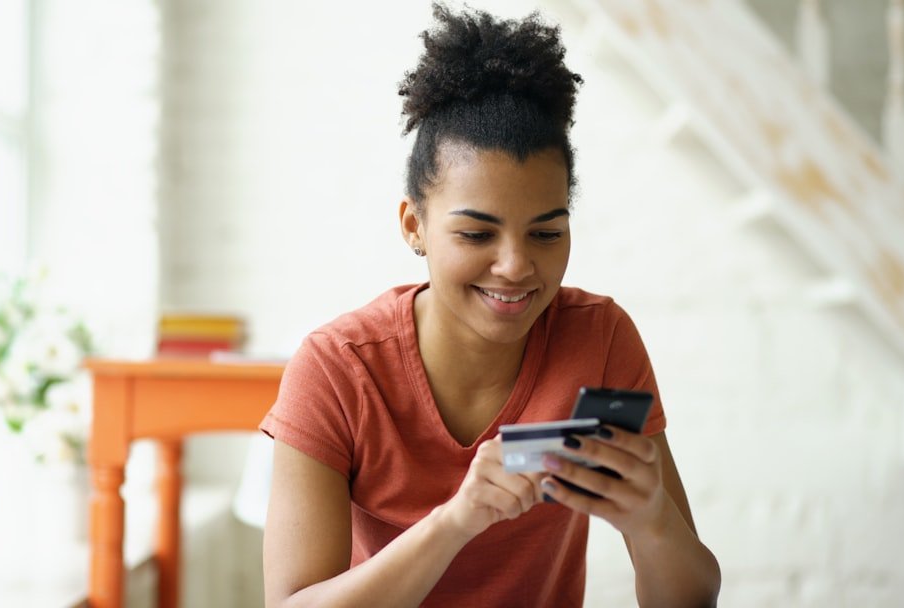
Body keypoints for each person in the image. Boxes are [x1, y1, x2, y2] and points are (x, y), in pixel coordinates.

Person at [259, 5, 721, 606]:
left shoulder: (600, 338)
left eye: (547, 233)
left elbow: (692, 599)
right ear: (414, 225)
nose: (516, 267)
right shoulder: (337, 369)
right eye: (477, 235)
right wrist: (458, 519)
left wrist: (650, 518)